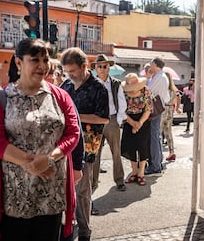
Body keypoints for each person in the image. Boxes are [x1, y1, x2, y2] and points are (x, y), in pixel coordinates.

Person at [0, 38, 81, 241]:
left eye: (45, 60)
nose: (42, 66)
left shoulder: (60, 96)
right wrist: (32, 162)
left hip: (52, 192)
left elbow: (73, 133)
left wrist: (49, 158)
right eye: (35, 60)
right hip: (14, 195)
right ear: (19, 63)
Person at [60, 47, 109, 241]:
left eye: (72, 71)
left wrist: (74, 117)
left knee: (82, 191)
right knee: (63, 188)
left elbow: (103, 118)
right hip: (64, 144)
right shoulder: (66, 85)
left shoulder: (99, 88)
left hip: (88, 145)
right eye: (67, 71)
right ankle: (66, 227)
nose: (70, 75)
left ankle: (84, 231)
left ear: (84, 66)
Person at [91, 54, 127, 192]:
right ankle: (93, 182)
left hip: (112, 120)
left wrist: (118, 120)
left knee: (116, 152)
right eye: (99, 66)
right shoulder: (92, 83)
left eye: (105, 66)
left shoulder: (116, 83)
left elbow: (122, 102)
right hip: (96, 121)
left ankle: (119, 180)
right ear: (95, 68)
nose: (102, 69)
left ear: (109, 68)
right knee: (94, 153)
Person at [121, 73, 153, 186]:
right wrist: (133, 123)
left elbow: (148, 109)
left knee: (143, 146)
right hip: (128, 120)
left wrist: (139, 123)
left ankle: (141, 174)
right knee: (131, 147)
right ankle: (134, 173)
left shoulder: (145, 90)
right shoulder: (123, 92)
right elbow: (121, 110)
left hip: (143, 120)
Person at [145, 57, 169, 176]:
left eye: (151, 63)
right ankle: (157, 162)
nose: (150, 66)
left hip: (155, 108)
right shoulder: (161, 76)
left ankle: (155, 165)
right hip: (158, 108)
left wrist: (148, 78)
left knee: (154, 137)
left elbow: (148, 90)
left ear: (155, 64)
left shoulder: (159, 77)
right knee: (156, 136)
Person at [160, 71, 181, 162]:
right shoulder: (173, 89)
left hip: (162, 110)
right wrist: (177, 108)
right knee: (168, 132)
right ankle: (171, 152)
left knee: (158, 132)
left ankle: (159, 154)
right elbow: (178, 97)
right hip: (170, 111)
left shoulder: (162, 89)